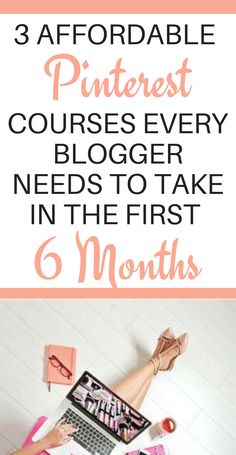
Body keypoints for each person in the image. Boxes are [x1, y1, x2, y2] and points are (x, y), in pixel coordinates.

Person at [8, 328, 188, 455]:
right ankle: (158, 362)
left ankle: (158, 362)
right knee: (119, 426)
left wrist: (46, 441)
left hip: (46, 448)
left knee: (105, 408)